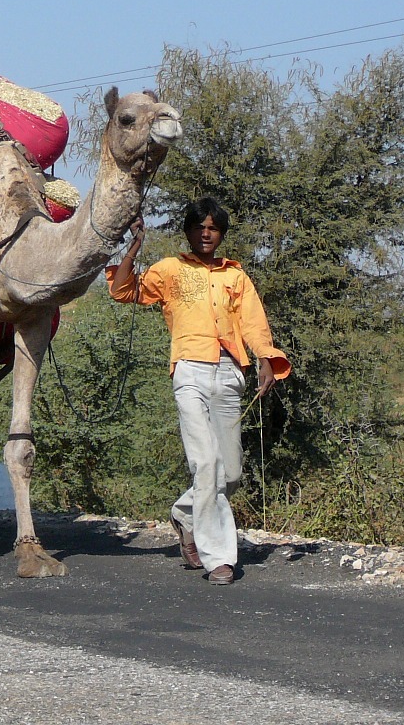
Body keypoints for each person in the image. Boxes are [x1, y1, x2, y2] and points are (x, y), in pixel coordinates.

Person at [107, 197, 290, 586]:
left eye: (213, 228)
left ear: (221, 234)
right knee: (206, 465)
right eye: (199, 227)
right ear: (188, 231)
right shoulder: (170, 270)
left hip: (229, 374)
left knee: (232, 473)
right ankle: (219, 558)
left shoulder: (235, 277)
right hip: (189, 370)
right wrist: (134, 246)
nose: (206, 233)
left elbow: (254, 325)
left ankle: (185, 513)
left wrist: (265, 361)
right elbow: (124, 290)